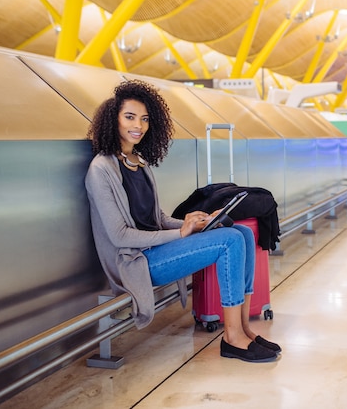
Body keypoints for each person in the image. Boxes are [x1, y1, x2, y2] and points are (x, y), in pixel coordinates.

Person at [85, 80, 280, 363]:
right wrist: (181, 235)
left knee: (242, 233)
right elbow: (120, 236)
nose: (138, 125)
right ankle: (232, 337)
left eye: (144, 119)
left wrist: (194, 223)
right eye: (129, 117)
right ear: (112, 119)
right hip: (135, 263)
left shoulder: (138, 163)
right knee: (230, 239)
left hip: (157, 252)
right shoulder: (100, 170)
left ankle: (244, 329)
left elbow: (157, 219)